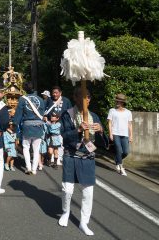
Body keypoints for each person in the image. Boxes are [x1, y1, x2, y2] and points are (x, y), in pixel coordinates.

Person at [58, 88, 102, 236]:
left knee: (88, 192)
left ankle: (84, 221)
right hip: (70, 155)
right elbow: (63, 136)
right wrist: (77, 130)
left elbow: (103, 143)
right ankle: (65, 212)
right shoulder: (67, 114)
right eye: (82, 97)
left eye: (88, 97)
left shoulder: (94, 116)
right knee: (67, 189)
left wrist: (101, 130)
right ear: (75, 98)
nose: (86, 100)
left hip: (88, 157)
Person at [13, 83, 49, 175]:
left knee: (26, 147)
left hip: (27, 127)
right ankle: (34, 169)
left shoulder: (22, 99)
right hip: (39, 126)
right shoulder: (41, 99)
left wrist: (15, 124)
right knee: (36, 149)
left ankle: (28, 167)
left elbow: (18, 114)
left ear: (25, 90)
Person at [107, 93, 133, 176]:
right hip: (115, 133)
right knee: (118, 149)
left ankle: (117, 160)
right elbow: (110, 123)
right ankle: (121, 168)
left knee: (125, 152)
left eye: (119, 101)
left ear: (122, 102)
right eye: (116, 101)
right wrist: (111, 133)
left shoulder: (128, 112)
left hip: (125, 134)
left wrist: (131, 135)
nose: (117, 102)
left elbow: (130, 124)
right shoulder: (112, 110)